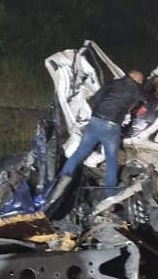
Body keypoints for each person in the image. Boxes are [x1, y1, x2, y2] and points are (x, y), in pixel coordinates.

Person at [47, 69, 146, 205]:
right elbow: (146, 101)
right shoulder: (136, 90)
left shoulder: (114, 83)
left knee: (79, 153)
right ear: (135, 78)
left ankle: (61, 180)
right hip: (111, 127)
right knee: (111, 160)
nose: (141, 82)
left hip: (95, 121)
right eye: (141, 80)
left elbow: (96, 97)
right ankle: (109, 193)